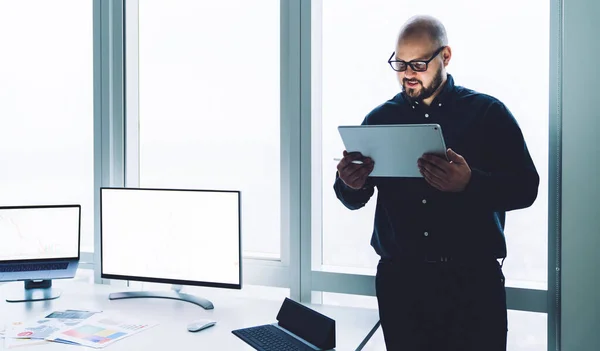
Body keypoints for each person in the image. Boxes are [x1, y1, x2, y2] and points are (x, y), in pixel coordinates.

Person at [334, 15, 539, 351]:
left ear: (445, 57)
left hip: (473, 284)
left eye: (417, 63)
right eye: (399, 63)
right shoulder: (380, 120)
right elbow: (352, 199)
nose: (407, 73)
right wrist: (350, 184)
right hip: (401, 285)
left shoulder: (488, 114)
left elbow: (526, 188)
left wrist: (470, 183)